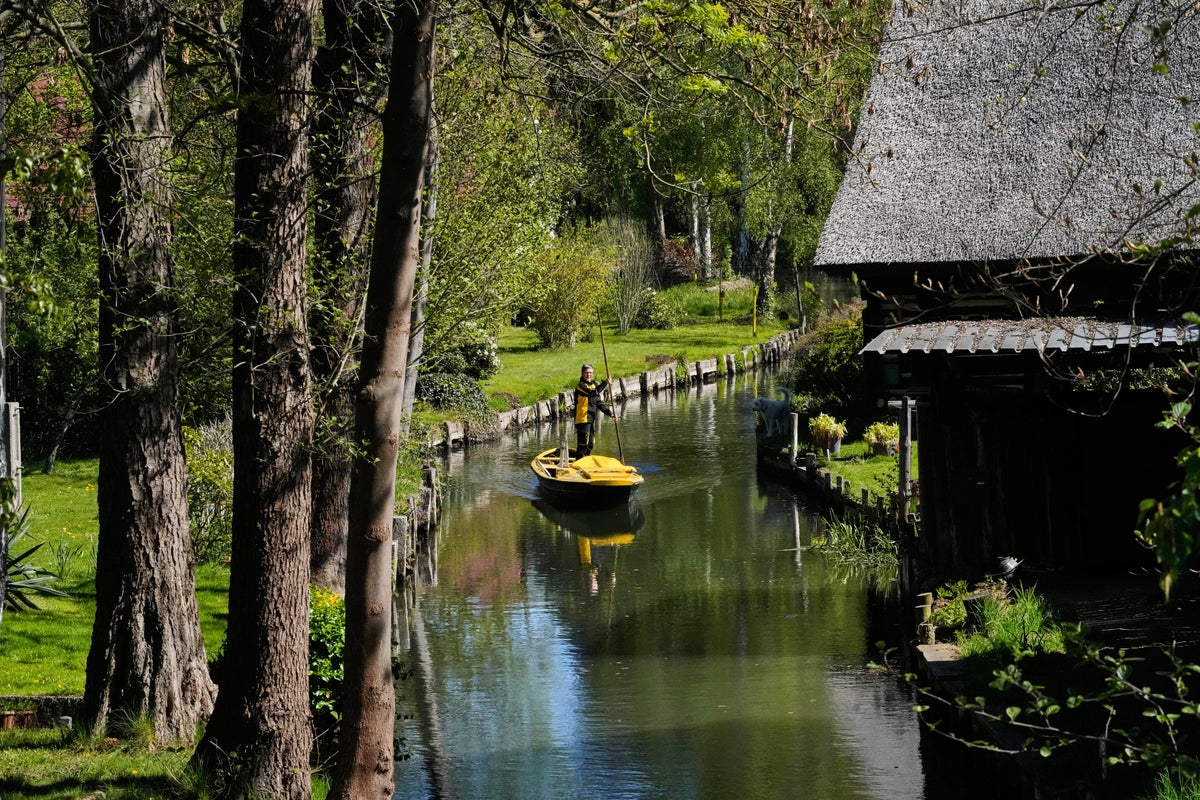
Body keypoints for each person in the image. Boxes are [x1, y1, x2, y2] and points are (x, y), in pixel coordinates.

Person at [573, 363, 613, 457]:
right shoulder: (580, 386)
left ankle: (586, 460)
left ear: (593, 373)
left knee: (590, 443)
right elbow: (592, 393)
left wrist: (610, 413)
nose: (588, 375)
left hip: (590, 419)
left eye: (590, 373)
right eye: (586, 373)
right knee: (584, 443)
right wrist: (605, 383)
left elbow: (599, 403)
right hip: (582, 419)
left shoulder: (594, 385)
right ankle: (579, 463)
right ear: (582, 373)